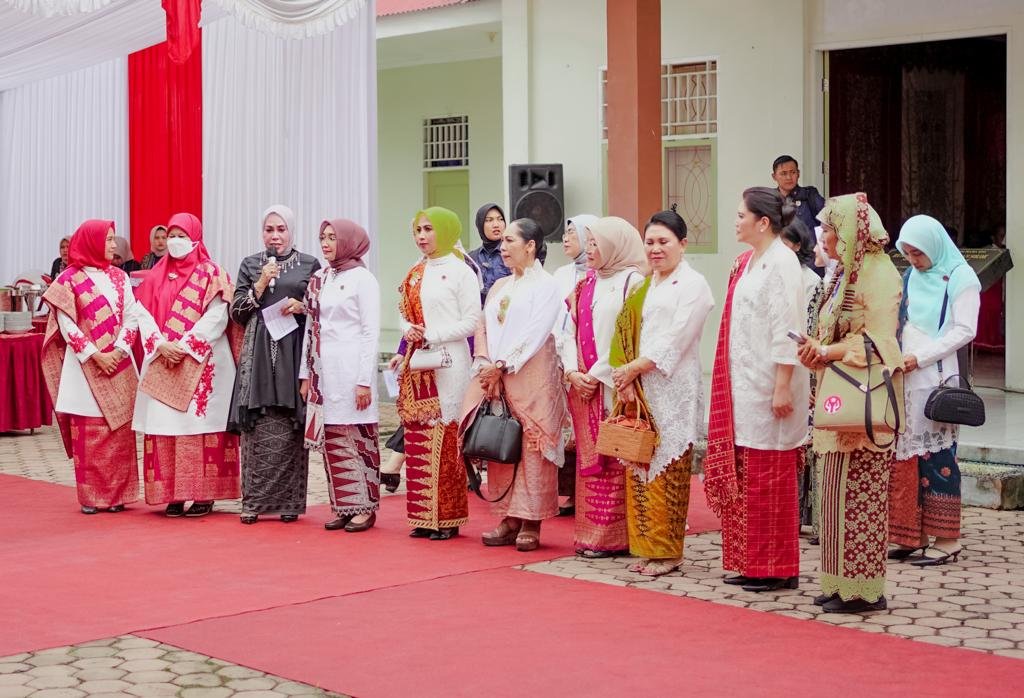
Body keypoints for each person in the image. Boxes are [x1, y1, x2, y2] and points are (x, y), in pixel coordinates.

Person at [797, 192, 902, 613]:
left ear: (852, 232)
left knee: (860, 498)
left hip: (865, 399)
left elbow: (881, 340)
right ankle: (838, 582)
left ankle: (863, 591)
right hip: (836, 394)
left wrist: (830, 353)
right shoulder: (842, 273)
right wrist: (813, 349)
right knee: (834, 497)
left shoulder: (880, 274)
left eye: (830, 228)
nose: (823, 235)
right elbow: (829, 331)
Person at [705, 187, 809, 593]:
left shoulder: (782, 262)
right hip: (744, 386)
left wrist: (783, 385)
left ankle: (777, 567)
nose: (735, 221)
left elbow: (788, 328)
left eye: (740, 215)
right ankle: (752, 562)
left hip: (771, 386)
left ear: (763, 222)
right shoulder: (749, 263)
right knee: (749, 477)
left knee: (770, 479)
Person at [610, 209, 714, 576]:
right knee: (640, 466)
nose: (656, 249)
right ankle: (647, 548)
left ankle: (669, 552)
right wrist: (624, 377)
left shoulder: (694, 285)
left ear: (683, 244)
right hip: (639, 389)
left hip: (674, 389)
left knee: (668, 467)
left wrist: (635, 367)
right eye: (650, 242)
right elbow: (623, 333)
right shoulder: (643, 286)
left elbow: (679, 337)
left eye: (664, 242)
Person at [462, 218, 567, 551]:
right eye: (502, 241)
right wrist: (484, 363)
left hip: (531, 377)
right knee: (501, 443)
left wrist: (504, 364)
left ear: (530, 245)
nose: (503, 247)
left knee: (532, 448)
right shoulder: (499, 287)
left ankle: (531, 522)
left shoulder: (547, 286)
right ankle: (507, 517)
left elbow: (536, 333)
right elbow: (482, 326)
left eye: (509, 241)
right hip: (497, 379)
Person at [132, 213, 240, 517]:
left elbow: (219, 314)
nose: (175, 242)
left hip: (203, 361)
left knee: (200, 426)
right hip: (164, 359)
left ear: (195, 237)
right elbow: (141, 313)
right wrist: (159, 343)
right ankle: (173, 494)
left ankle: (204, 495)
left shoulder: (213, 273)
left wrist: (187, 344)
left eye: (182, 235)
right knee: (166, 427)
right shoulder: (155, 274)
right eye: (171, 235)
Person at [888, 215, 980, 566]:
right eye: (908, 253)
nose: (913, 260)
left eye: (919, 253)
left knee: (938, 458)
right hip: (906, 376)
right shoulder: (912, 276)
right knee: (906, 456)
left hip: (935, 378)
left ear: (935, 246)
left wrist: (920, 357)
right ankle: (912, 536)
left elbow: (964, 329)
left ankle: (947, 539)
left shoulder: (960, 277)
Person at [40, 220, 142, 514]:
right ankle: (92, 497)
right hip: (84, 366)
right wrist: (94, 354)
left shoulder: (121, 278)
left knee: (119, 432)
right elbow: (64, 322)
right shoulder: (68, 279)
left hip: (119, 362)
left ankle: (119, 496)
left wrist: (120, 349)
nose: (113, 245)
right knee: (90, 434)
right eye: (108, 240)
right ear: (92, 242)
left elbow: (132, 315)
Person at [228, 205, 320, 524]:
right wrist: (260, 283)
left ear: (291, 230)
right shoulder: (251, 264)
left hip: (294, 351)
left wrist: (303, 305)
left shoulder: (310, 264)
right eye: (269, 229)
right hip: (258, 358)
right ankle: (253, 502)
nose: (275, 235)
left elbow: (321, 308)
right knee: (258, 422)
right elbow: (237, 313)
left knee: (291, 421)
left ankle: (290, 502)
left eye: (281, 229)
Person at [563, 216, 646, 558]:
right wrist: (571, 371)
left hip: (613, 385)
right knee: (590, 460)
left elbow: (627, 338)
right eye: (590, 243)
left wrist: (595, 375)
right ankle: (590, 535)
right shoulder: (586, 283)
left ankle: (616, 538)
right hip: (583, 387)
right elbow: (568, 331)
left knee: (616, 458)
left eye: (597, 243)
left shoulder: (634, 282)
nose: (591, 249)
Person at [395, 207, 480, 540]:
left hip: (449, 362)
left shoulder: (462, 272)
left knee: (446, 438)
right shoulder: (414, 272)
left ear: (445, 231)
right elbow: (401, 312)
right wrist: (409, 331)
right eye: (418, 230)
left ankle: (447, 518)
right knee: (418, 437)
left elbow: (472, 321)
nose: (421, 236)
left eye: (428, 229)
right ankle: (421, 516)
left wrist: (433, 334)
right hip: (419, 364)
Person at [299, 219, 382, 532]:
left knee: (357, 437)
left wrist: (364, 380)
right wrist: (305, 374)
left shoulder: (363, 279)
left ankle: (365, 507)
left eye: (333, 237)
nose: (326, 243)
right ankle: (343, 506)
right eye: (323, 237)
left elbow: (370, 331)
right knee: (331, 438)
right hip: (324, 372)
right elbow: (311, 327)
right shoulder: (320, 278)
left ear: (349, 241)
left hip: (351, 371)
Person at [782, 218, 826, 539]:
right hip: (786, 366)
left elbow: (808, 329)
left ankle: (803, 513)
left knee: (806, 446)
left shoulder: (810, 281)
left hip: (804, 367)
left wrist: (808, 377)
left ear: (797, 245)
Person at [551, 214, 598, 517]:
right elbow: (555, 315)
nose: (566, 238)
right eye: (565, 233)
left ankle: (588, 493)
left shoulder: (603, 272)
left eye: (572, 233)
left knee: (588, 429)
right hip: (562, 355)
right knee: (567, 429)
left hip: (590, 360)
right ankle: (569, 492)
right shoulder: (560, 273)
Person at [771, 155, 825, 252]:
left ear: (798, 174)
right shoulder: (770, 200)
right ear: (774, 176)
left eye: (793, 172)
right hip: (781, 258)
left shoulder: (809, 195)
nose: (789, 177)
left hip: (809, 260)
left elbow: (831, 220)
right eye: (783, 173)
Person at [468, 203, 510, 301]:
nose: (496, 225)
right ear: (480, 225)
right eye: (489, 220)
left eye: (500, 219)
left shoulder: (512, 255)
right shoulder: (471, 258)